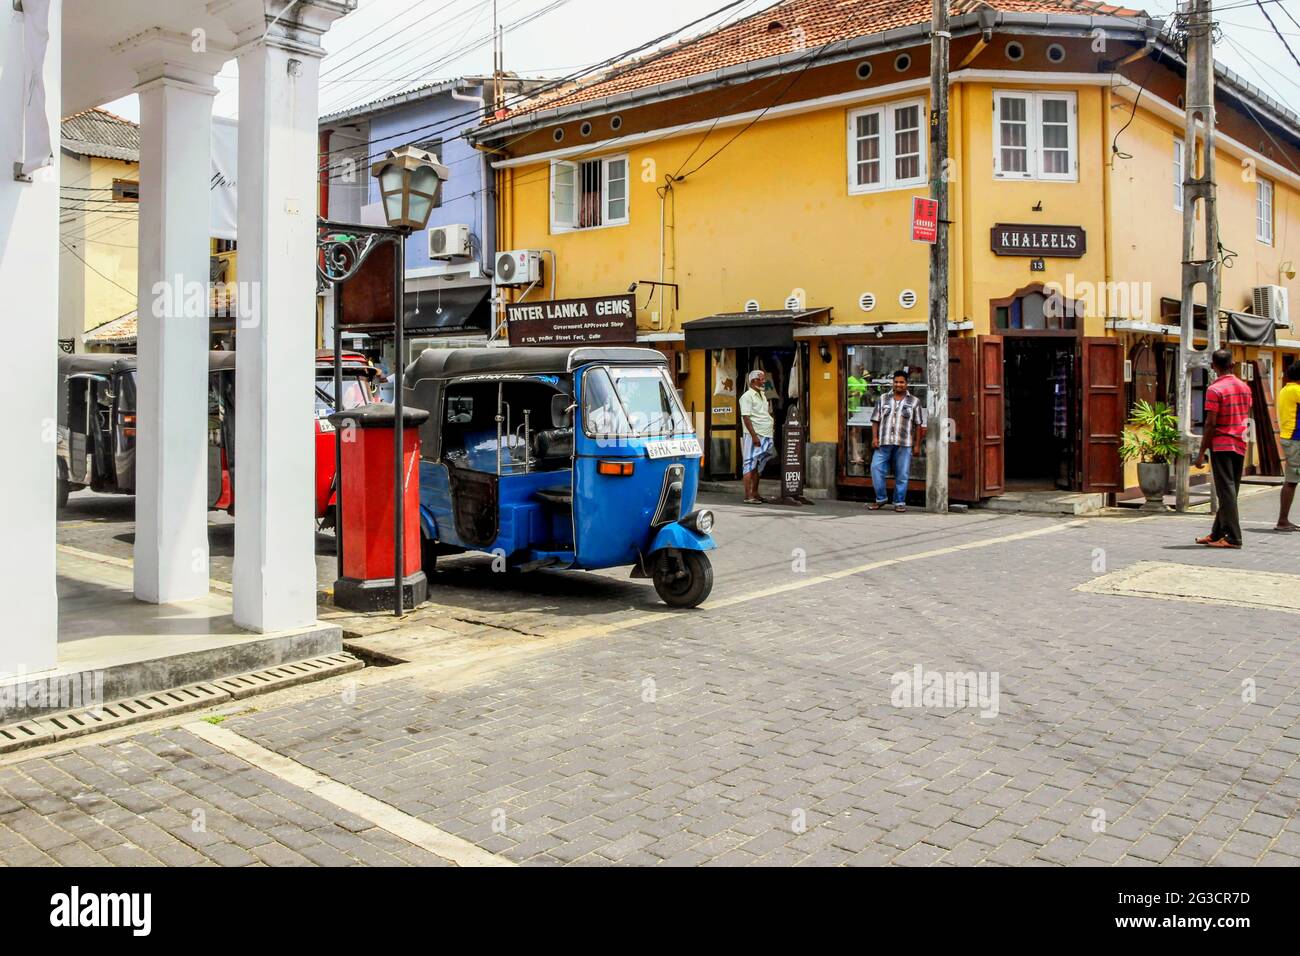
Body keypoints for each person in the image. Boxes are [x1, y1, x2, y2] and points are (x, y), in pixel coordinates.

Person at [1195, 349, 1252, 549]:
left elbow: (1210, 424)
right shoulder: (1245, 387)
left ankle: (1234, 537)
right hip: (1240, 442)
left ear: (1213, 366)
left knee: (1225, 490)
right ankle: (1217, 532)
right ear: (1232, 364)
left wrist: (1201, 452)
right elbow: (1246, 415)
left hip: (1221, 445)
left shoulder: (1214, 390)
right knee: (1230, 490)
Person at [868, 370, 926, 513]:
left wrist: (917, 445)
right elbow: (875, 420)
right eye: (896, 382)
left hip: (904, 444)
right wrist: (874, 438)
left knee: (902, 474)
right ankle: (880, 499)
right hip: (884, 441)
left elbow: (918, 425)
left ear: (907, 384)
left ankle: (899, 502)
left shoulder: (914, 401)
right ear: (892, 383)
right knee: (876, 468)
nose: (898, 384)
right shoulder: (883, 399)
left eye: (901, 382)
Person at [740, 369, 775, 504]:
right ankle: (748, 496)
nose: (763, 381)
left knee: (758, 463)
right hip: (754, 434)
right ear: (753, 380)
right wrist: (754, 436)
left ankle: (755, 493)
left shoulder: (762, 395)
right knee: (749, 463)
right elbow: (746, 417)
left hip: (765, 433)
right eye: (761, 379)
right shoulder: (747, 396)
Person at [1277, 362, 1300, 532]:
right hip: (1295, 440)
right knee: (1291, 481)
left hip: (1289, 438)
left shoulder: (1285, 389)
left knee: (1291, 481)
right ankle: (1283, 520)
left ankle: (1283, 520)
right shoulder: (1296, 391)